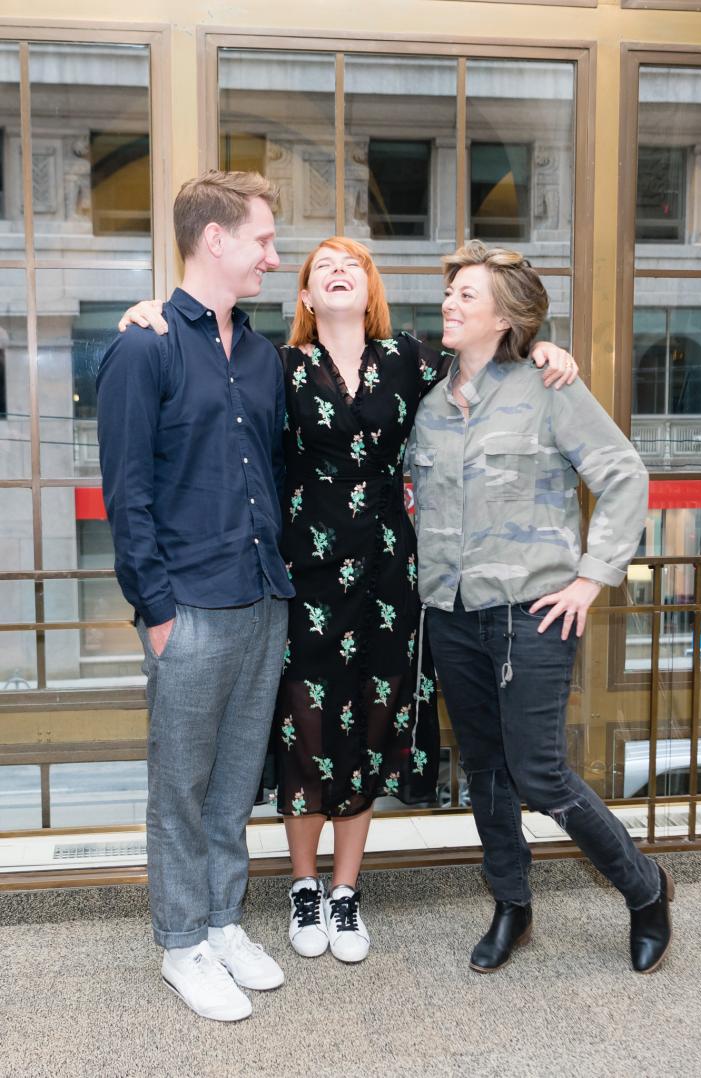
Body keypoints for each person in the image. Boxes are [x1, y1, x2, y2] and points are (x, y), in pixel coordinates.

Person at [120, 231, 577, 967]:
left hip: (389, 577)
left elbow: (494, 353)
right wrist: (148, 313)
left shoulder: (414, 359)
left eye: (352, 265)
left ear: (370, 289)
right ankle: (302, 888)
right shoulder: (275, 365)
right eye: (320, 267)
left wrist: (548, 350)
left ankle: (344, 892)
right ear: (304, 296)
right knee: (304, 729)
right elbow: (209, 361)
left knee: (369, 722)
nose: (336, 272)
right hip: (301, 578)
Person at [409, 239, 673, 976]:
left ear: (505, 316)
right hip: (452, 612)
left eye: (467, 294)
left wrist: (591, 578)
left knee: (540, 772)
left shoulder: (548, 387)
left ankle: (645, 888)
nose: (450, 303)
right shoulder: (425, 398)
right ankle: (512, 906)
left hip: (534, 611)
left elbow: (624, 475)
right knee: (486, 771)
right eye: (451, 291)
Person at [97, 170, 293, 1022]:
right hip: (190, 608)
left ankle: (220, 921)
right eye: (262, 240)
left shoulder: (258, 353)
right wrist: (157, 611)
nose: (272, 258)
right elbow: (125, 492)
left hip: (263, 599)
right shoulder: (143, 347)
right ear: (214, 239)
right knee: (178, 786)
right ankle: (181, 943)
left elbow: (278, 471)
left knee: (234, 784)